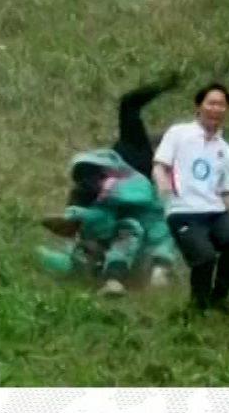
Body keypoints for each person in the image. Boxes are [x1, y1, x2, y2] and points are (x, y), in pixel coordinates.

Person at [38, 77, 181, 296]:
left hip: (125, 224)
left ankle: (82, 235)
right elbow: (129, 104)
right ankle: (82, 238)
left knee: (131, 230)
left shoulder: (167, 178)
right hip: (111, 213)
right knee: (115, 222)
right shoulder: (137, 152)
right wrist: (165, 84)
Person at [152, 84, 229, 314]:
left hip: (214, 211)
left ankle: (220, 297)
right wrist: (163, 184)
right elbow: (160, 166)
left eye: (222, 105)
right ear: (199, 106)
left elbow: (228, 193)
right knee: (204, 258)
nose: (216, 109)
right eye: (211, 103)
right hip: (183, 211)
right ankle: (197, 307)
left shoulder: (225, 151)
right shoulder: (179, 133)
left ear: (227, 111)